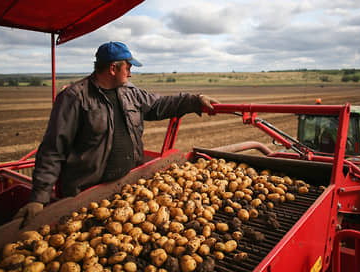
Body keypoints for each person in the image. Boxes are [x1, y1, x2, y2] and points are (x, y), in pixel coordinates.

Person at [14, 41, 219, 226]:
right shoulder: (75, 98)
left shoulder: (129, 91)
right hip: (87, 196)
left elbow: (158, 105)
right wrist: (39, 198)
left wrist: (195, 100)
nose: (130, 73)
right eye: (128, 68)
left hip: (126, 188)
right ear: (113, 68)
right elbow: (53, 149)